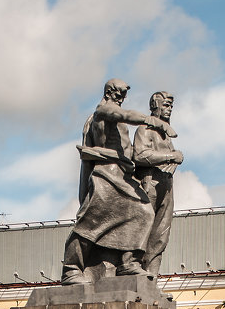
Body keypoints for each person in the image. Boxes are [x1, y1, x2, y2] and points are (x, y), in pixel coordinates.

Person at [61, 79, 175, 285]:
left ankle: (128, 262)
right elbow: (126, 115)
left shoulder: (114, 114)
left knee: (143, 212)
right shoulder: (103, 110)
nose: (122, 97)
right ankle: (71, 269)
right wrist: (152, 121)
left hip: (122, 174)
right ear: (109, 92)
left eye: (124, 93)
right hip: (107, 172)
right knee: (91, 223)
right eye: (119, 93)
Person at [131, 91, 183, 274]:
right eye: (166, 105)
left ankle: (152, 278)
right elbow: (139, 155)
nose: (169, 110)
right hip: (149, 182)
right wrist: (171, 156)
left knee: (161, 234)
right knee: (143, 227)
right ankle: (134, 267)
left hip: (166, 184)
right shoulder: (145, 130)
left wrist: (175, 159)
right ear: (155, 106)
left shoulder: (166, 133)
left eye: (171, 107)